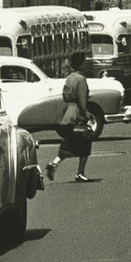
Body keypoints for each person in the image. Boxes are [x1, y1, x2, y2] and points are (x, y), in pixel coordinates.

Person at [45, 51, 94, 183]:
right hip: (77, 114)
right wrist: (85, 115)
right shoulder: (81, 79)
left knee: (70, 144)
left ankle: (54, 163)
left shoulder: (70, 78)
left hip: (67, 113)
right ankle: (80, 172)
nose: (86, 63)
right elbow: (82, 100)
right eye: (84, 61)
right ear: (80, 63)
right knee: (86, 143)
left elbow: (65, 96)